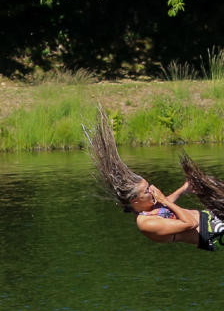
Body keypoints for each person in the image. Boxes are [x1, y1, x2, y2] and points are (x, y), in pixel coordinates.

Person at [87, 106, 224, 250]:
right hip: (212, 233)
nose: (152, 191)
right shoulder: (146, 223)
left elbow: (164, 209)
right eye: (146, 191)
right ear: (136, 200)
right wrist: (164, 199)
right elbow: (190, 224)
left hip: (211, 218)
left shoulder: (148, 209)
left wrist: (182, 190)